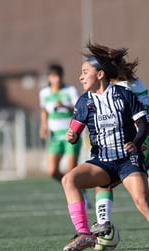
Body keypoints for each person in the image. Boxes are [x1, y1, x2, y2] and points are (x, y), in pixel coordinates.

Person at [60, 42, 149, 251]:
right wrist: (71, 137)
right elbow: (73, 132)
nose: (80, 77)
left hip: (128, 160)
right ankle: (85, 233)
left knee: (144, 202)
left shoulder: (123, 94)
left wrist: (137, 142)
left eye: (84, 72)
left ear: (100, 74)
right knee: (68, 180)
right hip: (102, 161)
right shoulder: (83, 102)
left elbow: (144, 125)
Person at [39, 63, 90, 208]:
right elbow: (44, 110)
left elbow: (79, 109)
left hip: (71, 135)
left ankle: (80, 196)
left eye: (59, 76)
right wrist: (43, 126)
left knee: (71, 170)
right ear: (49, 78)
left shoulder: (70, 90)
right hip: (55, 137)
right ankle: (73, 186)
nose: (57, 80)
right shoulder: (44, 93)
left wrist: (64, 106)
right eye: (54, 76)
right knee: (52, 171)